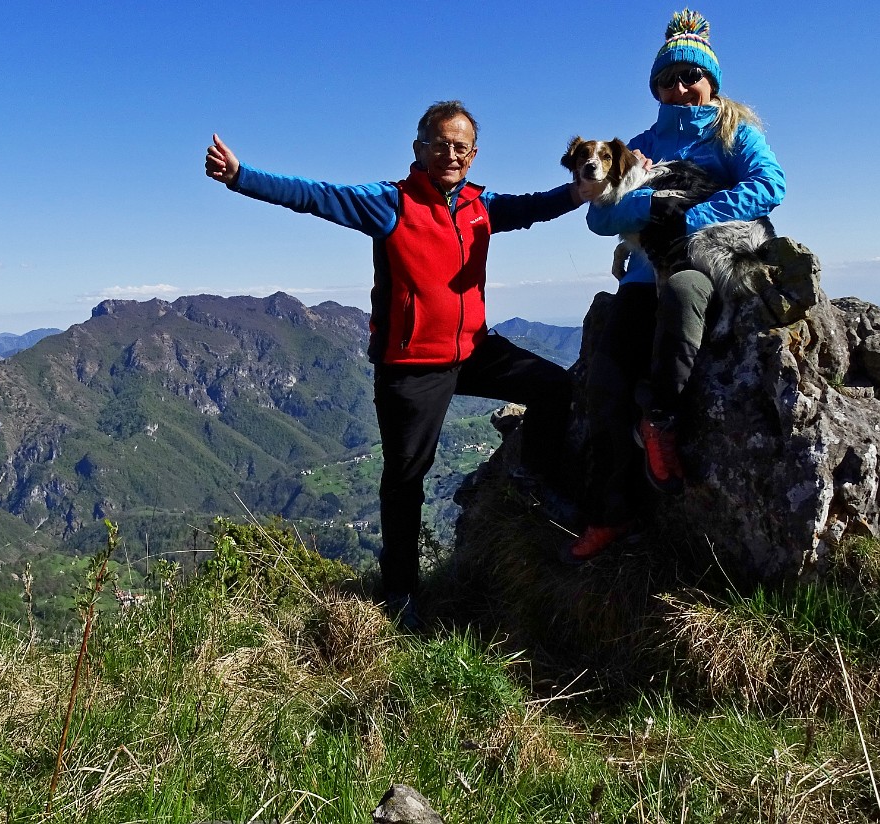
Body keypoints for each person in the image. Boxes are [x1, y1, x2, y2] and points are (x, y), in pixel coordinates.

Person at [206, 101, 600, 625]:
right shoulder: (390, 202)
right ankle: (400, 592)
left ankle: (531, 478)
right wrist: (241, 176)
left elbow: (533, 207)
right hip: (412, 365)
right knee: (405, 479)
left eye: (461, 147)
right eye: (439, 144)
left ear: (474, 154)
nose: (451, 154)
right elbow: (316, 197)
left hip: (472, 348)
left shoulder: (483, 205)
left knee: (553, 385)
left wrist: (579, 192)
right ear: (419, 150)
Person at [566, 9, 787, 562]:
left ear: (711, 81)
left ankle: (659, 418)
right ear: (655, 88)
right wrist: (648, 201)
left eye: (690, 76)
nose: (679, 87)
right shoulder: (637, 145)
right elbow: (598, 217)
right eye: (667, 79)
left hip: (702, 261)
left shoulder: (733, 132)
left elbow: (770, 184)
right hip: (644, 273)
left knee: (685, 293)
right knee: (607, 378)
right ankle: (609, 515)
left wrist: (687, 218)